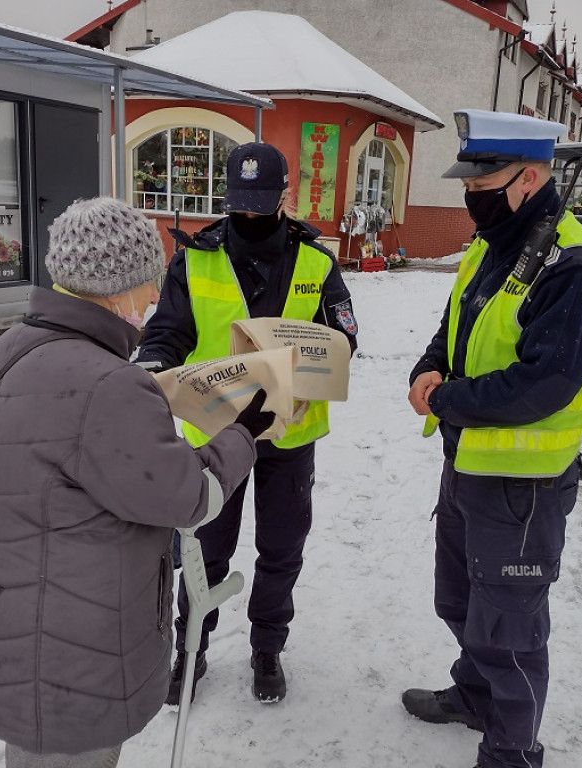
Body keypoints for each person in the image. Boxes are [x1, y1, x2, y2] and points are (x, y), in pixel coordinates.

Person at [0, 197, 274, 767]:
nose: (155, 298)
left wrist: (151, 392)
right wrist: (245, 432)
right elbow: (189, 496)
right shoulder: (105, 386)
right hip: (77, 654)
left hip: (16, 630)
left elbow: (62, 432)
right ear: (114, 289)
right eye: (147, 284)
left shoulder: (10, 352)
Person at [402, 109, 582, 768]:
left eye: (482, 181)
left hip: (522, 491)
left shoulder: (575, 265)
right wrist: (428, 366)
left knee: (511, 630)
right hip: (467, 467)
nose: (470, 195)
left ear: (528, 178)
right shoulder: (492, 245)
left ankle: (512, 751)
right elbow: (454, 328)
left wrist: (449, 399)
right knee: (461, 601)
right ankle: (475, 696)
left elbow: (544, 383)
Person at [136, 141, 358, 705]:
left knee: (282, 548)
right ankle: (192, 648)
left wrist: (317, 365)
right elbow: (168, 332)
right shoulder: (195, 257)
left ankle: (268, 648)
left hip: (289, 432)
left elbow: (345, 335)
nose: (251, 216)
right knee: (204, 549)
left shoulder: (317, 260)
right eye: (241, 204)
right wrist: (154, 366)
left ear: (283, 195)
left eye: (262, 204)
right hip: (216, 432)